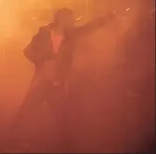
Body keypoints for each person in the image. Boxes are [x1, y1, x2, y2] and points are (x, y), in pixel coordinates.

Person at [10, 8, 117, 150]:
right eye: (70, 18)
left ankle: (68, 146)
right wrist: (42, 61)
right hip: (43, 81)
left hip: (57, 82)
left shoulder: (72, 35)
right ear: (61, 19)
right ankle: (12, 138)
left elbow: (89, 28)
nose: (72, 21)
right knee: (25, 110)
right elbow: (27, 51)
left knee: (63, 117)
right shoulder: (43, 34)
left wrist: (106, 18)